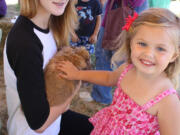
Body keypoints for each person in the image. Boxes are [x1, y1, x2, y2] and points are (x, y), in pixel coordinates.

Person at [58, 8, 180, 134]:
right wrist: (77, 74)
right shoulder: (127, 69)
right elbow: (108, 78)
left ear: (174, 55)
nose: (149, 54)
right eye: (142, 44)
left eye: (160, 48)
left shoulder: (167, 100)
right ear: (130, 42)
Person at [3, 0, 93, 135]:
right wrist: (76, 86)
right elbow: (39, 124)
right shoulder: (25, 43)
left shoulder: (53, 24)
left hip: (55, 122)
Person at [91, 0, 149, 105]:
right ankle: (101, 96)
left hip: (129, 19)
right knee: (103, 56)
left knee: (124, 63)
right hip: (112, 15)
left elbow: (137, 3)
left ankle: (124, 102)